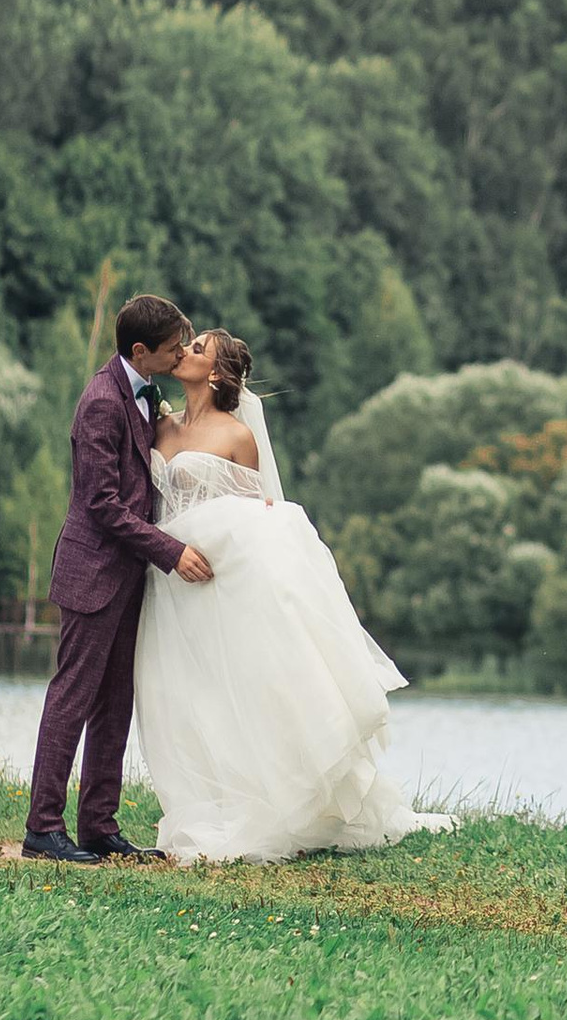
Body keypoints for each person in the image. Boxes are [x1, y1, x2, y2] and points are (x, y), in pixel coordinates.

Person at [134, 326, 452, 862]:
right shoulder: (158, 425)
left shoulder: (237, 436)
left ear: (214, 373)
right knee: (183, 694)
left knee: (240, 689)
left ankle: (265, 801)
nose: (185, 350)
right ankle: (202, 798)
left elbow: (255, 520)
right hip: (169, 583)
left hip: (217, 582)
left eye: (197, 348)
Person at [21, 294, 211, 865]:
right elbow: (101, 505)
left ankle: (99, 826)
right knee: (72, 697)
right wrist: (171, 551)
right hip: (92, 572)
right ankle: (43, 829)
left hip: (127, 576)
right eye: (174, 347)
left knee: (115, 702)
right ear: (140, 351)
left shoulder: (143, 391)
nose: (180, 353)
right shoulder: (102, 403)